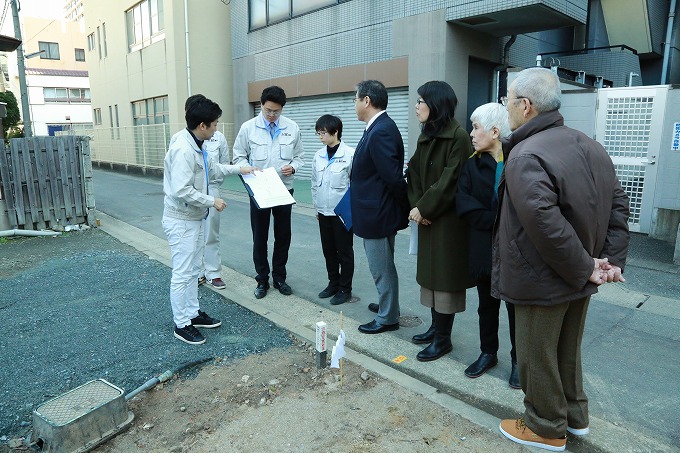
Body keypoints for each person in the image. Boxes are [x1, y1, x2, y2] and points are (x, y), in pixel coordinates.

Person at [494, 67, 629, 451]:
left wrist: (588, 266)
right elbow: (618, 204)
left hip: (544, 275)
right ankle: (575, 419)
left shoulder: (526, 154)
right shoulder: (588, 144)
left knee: (537, 354)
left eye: (508, 99)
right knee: (566, 351)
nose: (505, 106)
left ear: (525, 105)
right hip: (580, 273)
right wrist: (609, 261)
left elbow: (544, 223)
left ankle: (545, 426)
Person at [162, 95, 256, 345]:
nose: (216, 129)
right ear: (202, 125)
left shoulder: (196, 144)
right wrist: (210, 201)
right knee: (182, 272)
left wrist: (240, 169)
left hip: (194, 217)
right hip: (181, 219)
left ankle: (192, 313)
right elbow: (181, 189)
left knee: (193, 269)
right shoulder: (183, 149)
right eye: (214, 124)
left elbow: (213, 169)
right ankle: (181, 324)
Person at [407, 81, 474, 361]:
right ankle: (435, 329)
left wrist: (424, 208)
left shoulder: (458, 137)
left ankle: (443, 339)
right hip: (428, 218)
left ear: (436, 104)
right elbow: (413, 172)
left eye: (421, 101)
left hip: (447, 222)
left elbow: (451, 180)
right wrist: (417, 207)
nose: (416, 106)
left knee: (445, 278)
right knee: (431, 276)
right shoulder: (428, 135)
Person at [456, 103, 519, 387]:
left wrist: (500, 220)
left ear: (495, 132)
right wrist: (498, 219)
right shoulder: (472, 164)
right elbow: (464, 204)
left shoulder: (518, 161)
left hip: (515, 251)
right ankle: (488, 352)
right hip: (483, 247)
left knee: (517, 310)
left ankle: (520, 361)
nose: (471, 133)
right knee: (486, 306)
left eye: (476, 127)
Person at [232, 86, 305, 299]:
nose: (272, 115)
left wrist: (294, 167)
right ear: (262, 106)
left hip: (283, 188)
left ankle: (280, 277)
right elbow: (238, 157)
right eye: (268, 110)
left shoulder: (292, 127)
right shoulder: (248, 128)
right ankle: (262, 279)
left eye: (276, 111)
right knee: (260, 236)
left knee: (283, 236)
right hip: (259, 189)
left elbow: (300, 157)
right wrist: (248, 169)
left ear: (282, 108)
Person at [351, 79, 409, 334]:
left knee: (381, 267)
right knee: (383, 265)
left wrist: (405, 208)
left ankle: (388, 318)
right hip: (376, 210)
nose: (354, 103)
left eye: (356, 98)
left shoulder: (381, 130)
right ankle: (389, 306)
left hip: (378, 213)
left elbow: (393, 177)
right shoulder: (376, 127)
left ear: (367, 100)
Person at [181, 95, 230, 290]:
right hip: (191, 193)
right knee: (193, 235)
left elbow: (223, 163)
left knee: (211, 233)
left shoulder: (218, 136)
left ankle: (213, 272)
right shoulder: (183, 141)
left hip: (212, 188)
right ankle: (197, 272)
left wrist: (214, 188)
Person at [311, 114, 355, 306]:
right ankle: (333, 283)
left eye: (323, 133)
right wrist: (316, 208)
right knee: (328, 250)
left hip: (342, 214)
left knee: (344, 252)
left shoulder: (350, 154)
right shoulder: (318, 156)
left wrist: (352, 213)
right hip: (323, 211)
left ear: (335, 132)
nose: (320, 137)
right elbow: (314, 183)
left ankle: (345, 288)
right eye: (318, 133)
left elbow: (356, 185)